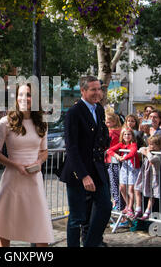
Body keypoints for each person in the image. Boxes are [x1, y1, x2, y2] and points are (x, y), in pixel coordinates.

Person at [0, 84, 54, 247]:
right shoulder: (5, 122)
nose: (25, 98)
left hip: (34, 180)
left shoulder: (42, 123)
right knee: (6, 229)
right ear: (16, 98)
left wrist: (38, 162)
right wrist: (15, 165)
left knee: (41, 229)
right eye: (21, 95)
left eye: (29, 95)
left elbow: (44, 151)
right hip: (13, 180)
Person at [59, 75, 112, 247]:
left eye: (99, 89)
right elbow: (72, 147)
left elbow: (100, 137)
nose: (98, 93)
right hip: (78, 171)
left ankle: (91, 244)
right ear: (83, 91)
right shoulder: (74, 112)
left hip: (97, 168)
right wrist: (83, 176)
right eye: (93, 89)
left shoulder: (99, 110)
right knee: (77, 218)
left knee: (105, 207)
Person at [107, 127, 141, 219]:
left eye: (129, 134)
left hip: (132, 168)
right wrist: (117, 156)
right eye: (125, 134)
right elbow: (110, 150)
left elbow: (133, 153)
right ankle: (128, 205)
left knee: (130, 189)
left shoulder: (133, 144)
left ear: (132, 136)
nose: (127, 136)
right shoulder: (121, 144)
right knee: (122, 187)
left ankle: (130, 207)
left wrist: (123, 158)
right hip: (124, 168)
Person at [135, 134, 161, 220]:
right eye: (149, 144)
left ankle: (147, 211)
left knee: (151, 194)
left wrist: (147, 153)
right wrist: (145, 150)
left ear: (158, 145)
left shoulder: (159, 154)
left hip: (154, 176)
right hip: (145, 174)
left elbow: (152, 159)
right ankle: (138, 208)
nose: (150, 146)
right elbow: (141, 149)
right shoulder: (149, 151)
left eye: (152, 144)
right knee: (137, 188)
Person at [104, 112, 123, 211]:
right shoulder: (121, 131)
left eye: (108, 122)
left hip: (111, 160)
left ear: (113, 122)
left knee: (114, 185)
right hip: (116, 160)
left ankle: (118, 206)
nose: (106, 124)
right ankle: (118, 205)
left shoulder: (111, 133)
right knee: (118, 185)